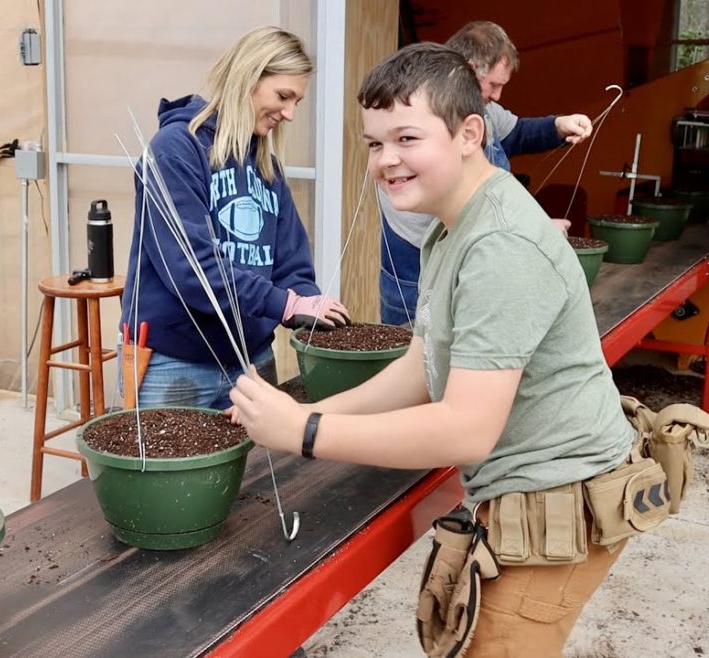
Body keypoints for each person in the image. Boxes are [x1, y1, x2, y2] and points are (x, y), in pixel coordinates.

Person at [230, 43, 637, 656]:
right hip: (516, 491)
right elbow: (423, 367)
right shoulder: (449, 227)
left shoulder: (500, 245)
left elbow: (468, 429)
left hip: (559, 500)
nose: (386, 160)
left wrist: (307, 432)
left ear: (470, 132)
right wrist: (311, 416)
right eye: (374, 144)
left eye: (407, 139)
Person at [121, 26, 349, 411]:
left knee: (261, 471)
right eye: (283, 96)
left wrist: (312, 307)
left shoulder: (266, 166)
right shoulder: (175, 150)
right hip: (175, 360)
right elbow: (192, 269)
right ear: (249, 77)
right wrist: (286, 305)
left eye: (297, 101)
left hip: (251, 360)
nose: (290, 113)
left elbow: (290, 263)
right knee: (165, 472)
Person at [379, 20, 594, 326]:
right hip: (413, 257)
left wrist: (559, 125)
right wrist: (533, 229)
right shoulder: (426, 114)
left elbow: (516, 132)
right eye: (493, 85)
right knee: (412, 346)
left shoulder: (482, 109)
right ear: (468, 69)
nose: (498, 95)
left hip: (470, 250)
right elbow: (462, 196)